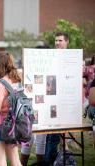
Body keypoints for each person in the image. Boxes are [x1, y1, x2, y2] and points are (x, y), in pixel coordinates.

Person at [20, 45, 50, 166]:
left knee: (41, 139)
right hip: (30, 107)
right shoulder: (29, 69)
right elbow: (26, 88)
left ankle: (39, 164)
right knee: (28, 139)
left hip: (44, 107)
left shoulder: (49, 69)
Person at [44, 32, 69, 164]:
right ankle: (49, 162)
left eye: (60, 40)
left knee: (63, 137)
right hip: (52, 102)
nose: (57, 43)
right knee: (52, 136)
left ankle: (59, 161)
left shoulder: (72, 58)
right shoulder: (51, 57)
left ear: (67, 42)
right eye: (56, 41)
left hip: (67, 102)